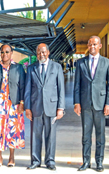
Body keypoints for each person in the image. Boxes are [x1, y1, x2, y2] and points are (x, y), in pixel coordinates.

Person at [73, 36, 109, 172]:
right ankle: (86, 161)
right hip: (85, 104)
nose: (92, 47)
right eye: (90, 44)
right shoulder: (80, 63)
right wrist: (76, 102)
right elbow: (77, 85)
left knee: (100, 135)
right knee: (86, 135)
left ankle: (99, 162)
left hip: (101, 105)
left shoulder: (107, 63)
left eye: (95, 44)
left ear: (100, 46)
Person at [24, 43, 65, 171]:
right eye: (38, 53)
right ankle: (35, 160)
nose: (41, 55)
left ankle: (50, 161)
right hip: (36, 107)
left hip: (52, 107)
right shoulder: (31, 68)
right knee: (35, 135)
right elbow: (27, 90)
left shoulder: (57, 67)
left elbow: (61, 89)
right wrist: (27, 108)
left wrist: (61, 107)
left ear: (48, 52)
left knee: (50, 136)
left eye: (43, 52)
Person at [0, 44, 26, 167]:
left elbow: (23, 87)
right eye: (2, 52)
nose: (4, 54)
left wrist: (22, 103)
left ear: (11, 53)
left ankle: (11, 157)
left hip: (13, 104)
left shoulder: (18, 68)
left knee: (12, 130)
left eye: (7, 52)